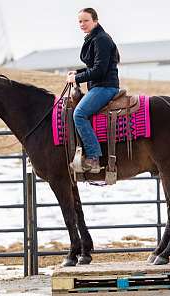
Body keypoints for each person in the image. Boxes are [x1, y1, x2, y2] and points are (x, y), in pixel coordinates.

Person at [66, 7, 120, 173]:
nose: (82, 24)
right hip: (99, 85)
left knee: (79, 114)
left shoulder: (100, 39)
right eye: (80, 21)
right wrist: (79, 72)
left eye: (86, 20)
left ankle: (93, 157)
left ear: (95, 21)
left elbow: (99, 70)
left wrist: (77, 78)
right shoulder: (95, 37)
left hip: (105, 86)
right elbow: (94, 65)